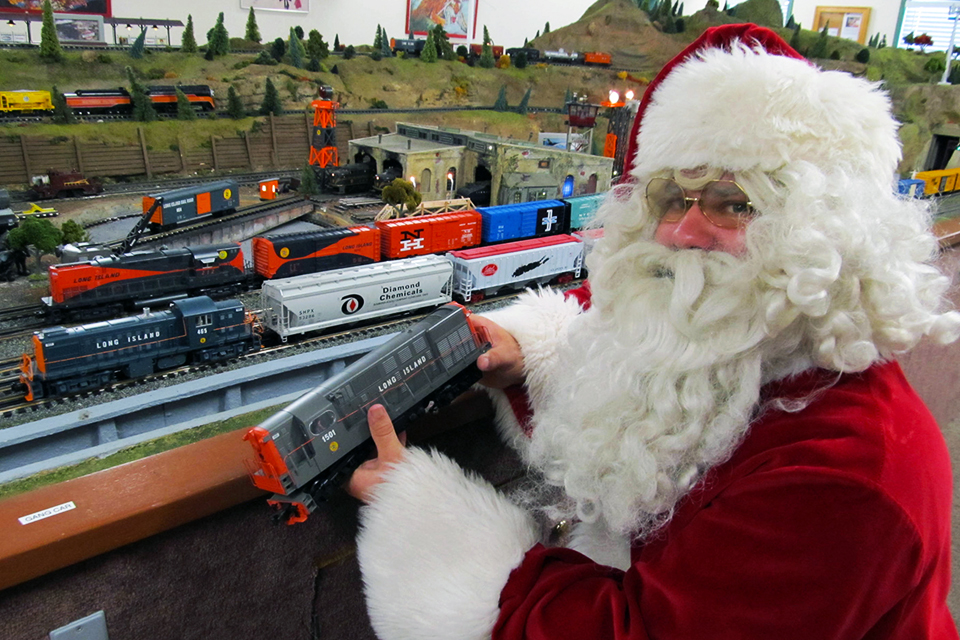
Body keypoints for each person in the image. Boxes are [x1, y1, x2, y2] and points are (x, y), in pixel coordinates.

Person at [347, 24, 960, 639]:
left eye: (733, 202)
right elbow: (656, 416)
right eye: (673, 196)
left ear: (825, 231)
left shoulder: (843, 477)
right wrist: (530, 361)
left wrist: (426, 525)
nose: (684, 231)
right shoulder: (754, 352)